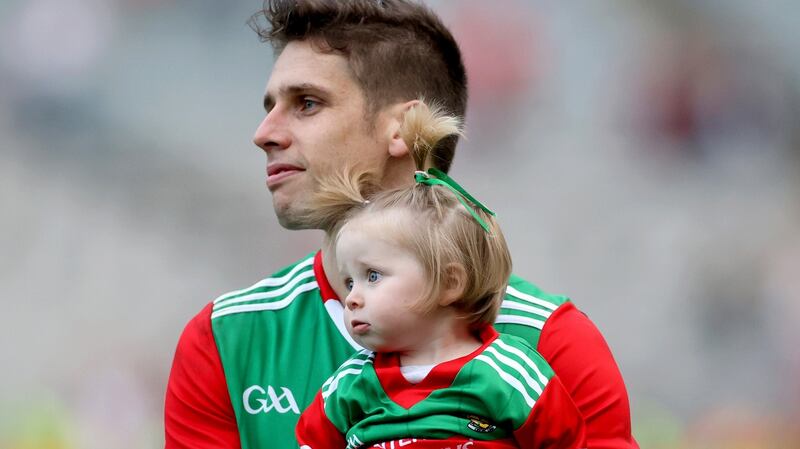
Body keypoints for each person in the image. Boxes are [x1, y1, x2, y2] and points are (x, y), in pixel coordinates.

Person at [164, 1, 638, 448]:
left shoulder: (551, 340)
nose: (264, 133)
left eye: (306, 103)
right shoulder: (226, 340)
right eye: (269, 106)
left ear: (403, 128)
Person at [294, 100, 586, 449]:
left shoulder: (509, 374)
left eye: (372, 276)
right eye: (349, 282)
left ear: (450, 282)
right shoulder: (347, 387)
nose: (351, 298)